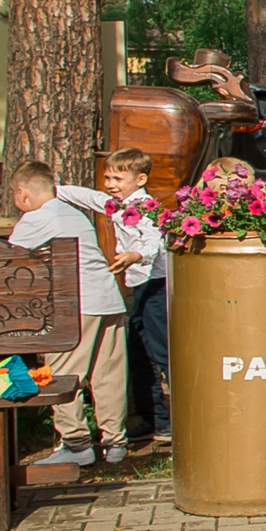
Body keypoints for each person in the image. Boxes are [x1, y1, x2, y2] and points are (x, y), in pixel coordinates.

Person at [8, 160, 129, 468]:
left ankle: (76, 443)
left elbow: (7, 260)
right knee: (108, 375)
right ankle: (115, 441)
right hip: (108, 299)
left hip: (77, 305)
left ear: (22, 193)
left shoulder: (34, 219)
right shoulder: (74, 213)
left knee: (63, 373)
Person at [67, 149, 165, 444]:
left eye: (118, 178)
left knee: (160, 352)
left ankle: (172, 418)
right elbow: (91, 198)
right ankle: (154, 418)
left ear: (140, 179)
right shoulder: (118, 204)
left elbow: (155, 240)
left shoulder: (146, 207)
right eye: (107, 177)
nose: (110, 183)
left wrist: (136, 254)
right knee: (138, 348)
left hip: (156, 283)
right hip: (139, 283)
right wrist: (52, 190)